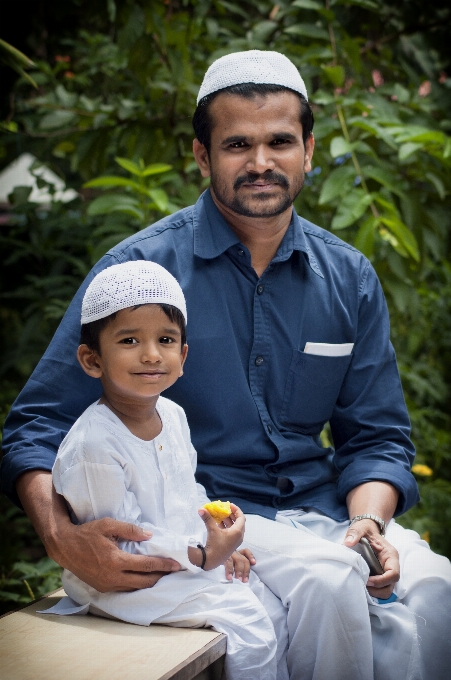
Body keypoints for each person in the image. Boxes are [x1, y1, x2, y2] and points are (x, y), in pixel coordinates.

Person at [1, 50, 450, 679]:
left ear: (309, 150)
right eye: (238, 143)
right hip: (208, 521)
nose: (261, 162)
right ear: (202, 156)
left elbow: (376, 437)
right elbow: (36, 425)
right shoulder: (140, 274)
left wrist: (370, 522)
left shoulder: (348, 277)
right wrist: (61, 538)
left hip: (324, 513)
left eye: (280, 142)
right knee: (331, 587)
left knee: (434, 586)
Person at [38, 260, 288, 680]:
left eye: (166, 339)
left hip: (180, 563)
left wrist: (216, 531)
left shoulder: (172, 415)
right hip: (123, 585)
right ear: (92, 359)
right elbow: (123, 547)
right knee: (249, 623)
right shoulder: (96, 445)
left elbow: (185, 492)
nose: (152, 354)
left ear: (182, 355)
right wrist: (207, 556)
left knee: (269, 599)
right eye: (130, 339)